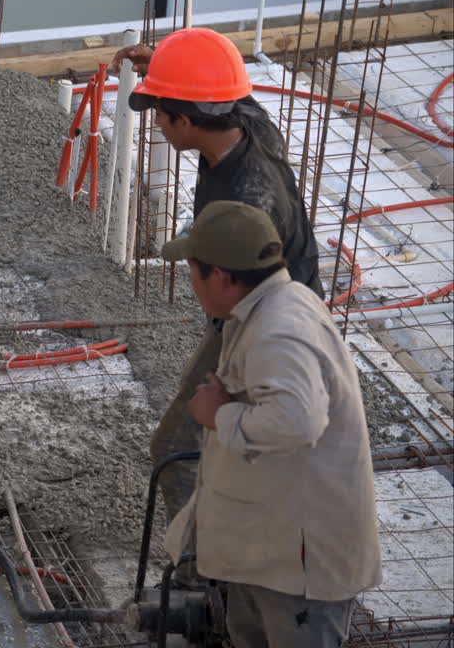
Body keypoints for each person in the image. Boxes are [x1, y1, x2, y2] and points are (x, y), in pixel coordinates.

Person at [112, 28, 323, 519]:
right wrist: (163, 68)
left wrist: (225, 395)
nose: (158, 126)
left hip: (261, 323)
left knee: (177, 452)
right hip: (264, 307)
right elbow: (218, 84)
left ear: (185, 121)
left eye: (161, 115)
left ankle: (202, 579)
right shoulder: (247, 121)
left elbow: (240, 304)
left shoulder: (247, 202)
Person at [159, 200, 381, 648]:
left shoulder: (279, 330)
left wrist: (218, 414)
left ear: (220, 276)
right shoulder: (271, 305)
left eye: (193, 269)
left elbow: (298, 421)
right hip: (272, 551)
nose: (190, 281)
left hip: (300, 569)